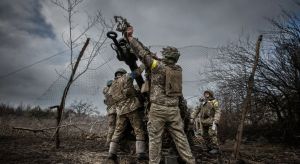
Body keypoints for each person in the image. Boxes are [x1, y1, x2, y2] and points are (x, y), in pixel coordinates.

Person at [126, 26, 195, 164]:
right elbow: (151, 56)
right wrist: (152, 55)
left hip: (158, 109)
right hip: (173, 109)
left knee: (155, 139)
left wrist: (130, 38)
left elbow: (142, 54)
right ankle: (190, 161)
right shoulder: (177, 69)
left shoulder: (157, 66)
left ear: (166, 56)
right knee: (180, 138)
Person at [107, 67, 147, 161]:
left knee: (117, 132)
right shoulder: (127, 77)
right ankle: (141, 153)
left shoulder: (111, 85)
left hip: (120, 111)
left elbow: (110, 99)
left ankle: (111, 153)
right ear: (123, 73)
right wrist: (145, 62)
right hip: (131, 109)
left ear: (116, 74)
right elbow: (138, 72)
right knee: (138, 130)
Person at [190, 90, 221, 154]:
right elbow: (196, 110)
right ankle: (208, 147)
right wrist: (192, 117)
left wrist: (216, 120)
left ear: (210, 94)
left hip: (212, 121)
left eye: (207, 93)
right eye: (205, 93)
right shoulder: (203, 103)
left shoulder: (214, 102)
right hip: (204, 122)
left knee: (212, 134)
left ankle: (215, 148)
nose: (206, 95)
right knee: (204, 135)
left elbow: (218, 111)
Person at [103, 80, 116, 146]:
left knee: (111, 127)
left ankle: (108, 142)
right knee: (114, 127)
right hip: (115, 112)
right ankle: (110, 143)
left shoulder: (106, 93)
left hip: (110, 112)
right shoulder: (112, 92)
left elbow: (105, 102)